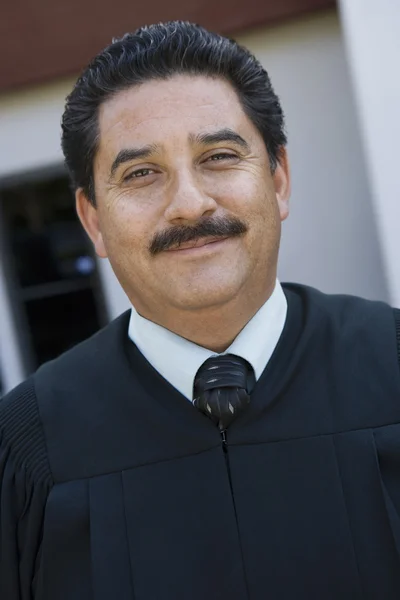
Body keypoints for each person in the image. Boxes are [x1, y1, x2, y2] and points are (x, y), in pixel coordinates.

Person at [1, 21, 400, 600]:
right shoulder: (27, 449)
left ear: (279, 179)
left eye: (218, 156)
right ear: (93, 221)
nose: (189, 204)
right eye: (141, 173)